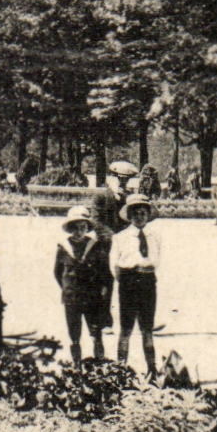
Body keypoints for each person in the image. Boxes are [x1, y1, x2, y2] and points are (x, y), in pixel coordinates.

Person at [110, 194, 163, 375]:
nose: (140, 217)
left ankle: (151, 369)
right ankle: (121, 368)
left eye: (143, 213)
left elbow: (156, 260)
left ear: (148, 216)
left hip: (148, 283)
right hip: (129, 283)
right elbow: (114, 265)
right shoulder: (120, 237)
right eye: (136, 213)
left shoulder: (154, 237)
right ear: (130, 216)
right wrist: (127, 280)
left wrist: (145, 273)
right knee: (126, 328)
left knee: (147, 328)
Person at [53, 206, 113, 363]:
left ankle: (99, 361)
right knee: (74, 332)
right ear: (70, 229)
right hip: (72, 297)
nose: (79, 231)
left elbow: (103, 270)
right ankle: (77, 364)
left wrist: (100, 290)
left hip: (91, 296)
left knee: (95, 331)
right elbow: (58, 273)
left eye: (82, 227)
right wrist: (67, 288)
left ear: (87, 228)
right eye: (75, 228)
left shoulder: (95, 246)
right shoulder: (63, 248)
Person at [90, 160, 137, 238]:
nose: (122, 183)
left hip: (125, 239)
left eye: (126, 180)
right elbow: (96, 222)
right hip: (106, 240)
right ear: (112, 178)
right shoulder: (101, 197)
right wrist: (112, 237)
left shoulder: (129, 198)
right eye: (119, 178)